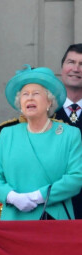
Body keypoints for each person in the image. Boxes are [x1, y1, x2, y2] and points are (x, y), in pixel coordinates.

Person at [0, 44, 82, 220]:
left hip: (54, 219)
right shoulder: (7, 134)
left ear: (49, 101)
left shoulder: (69, 134)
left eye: (36, 93)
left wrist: (39, 196)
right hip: (14, 218)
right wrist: (13, 197)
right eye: (24, 94)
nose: (29, 98)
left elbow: (76, 178)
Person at [54, 44, 82, 218]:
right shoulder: (43, 115)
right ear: (62, 68)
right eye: (71, 62)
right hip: (53, 210)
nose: (76, 69)